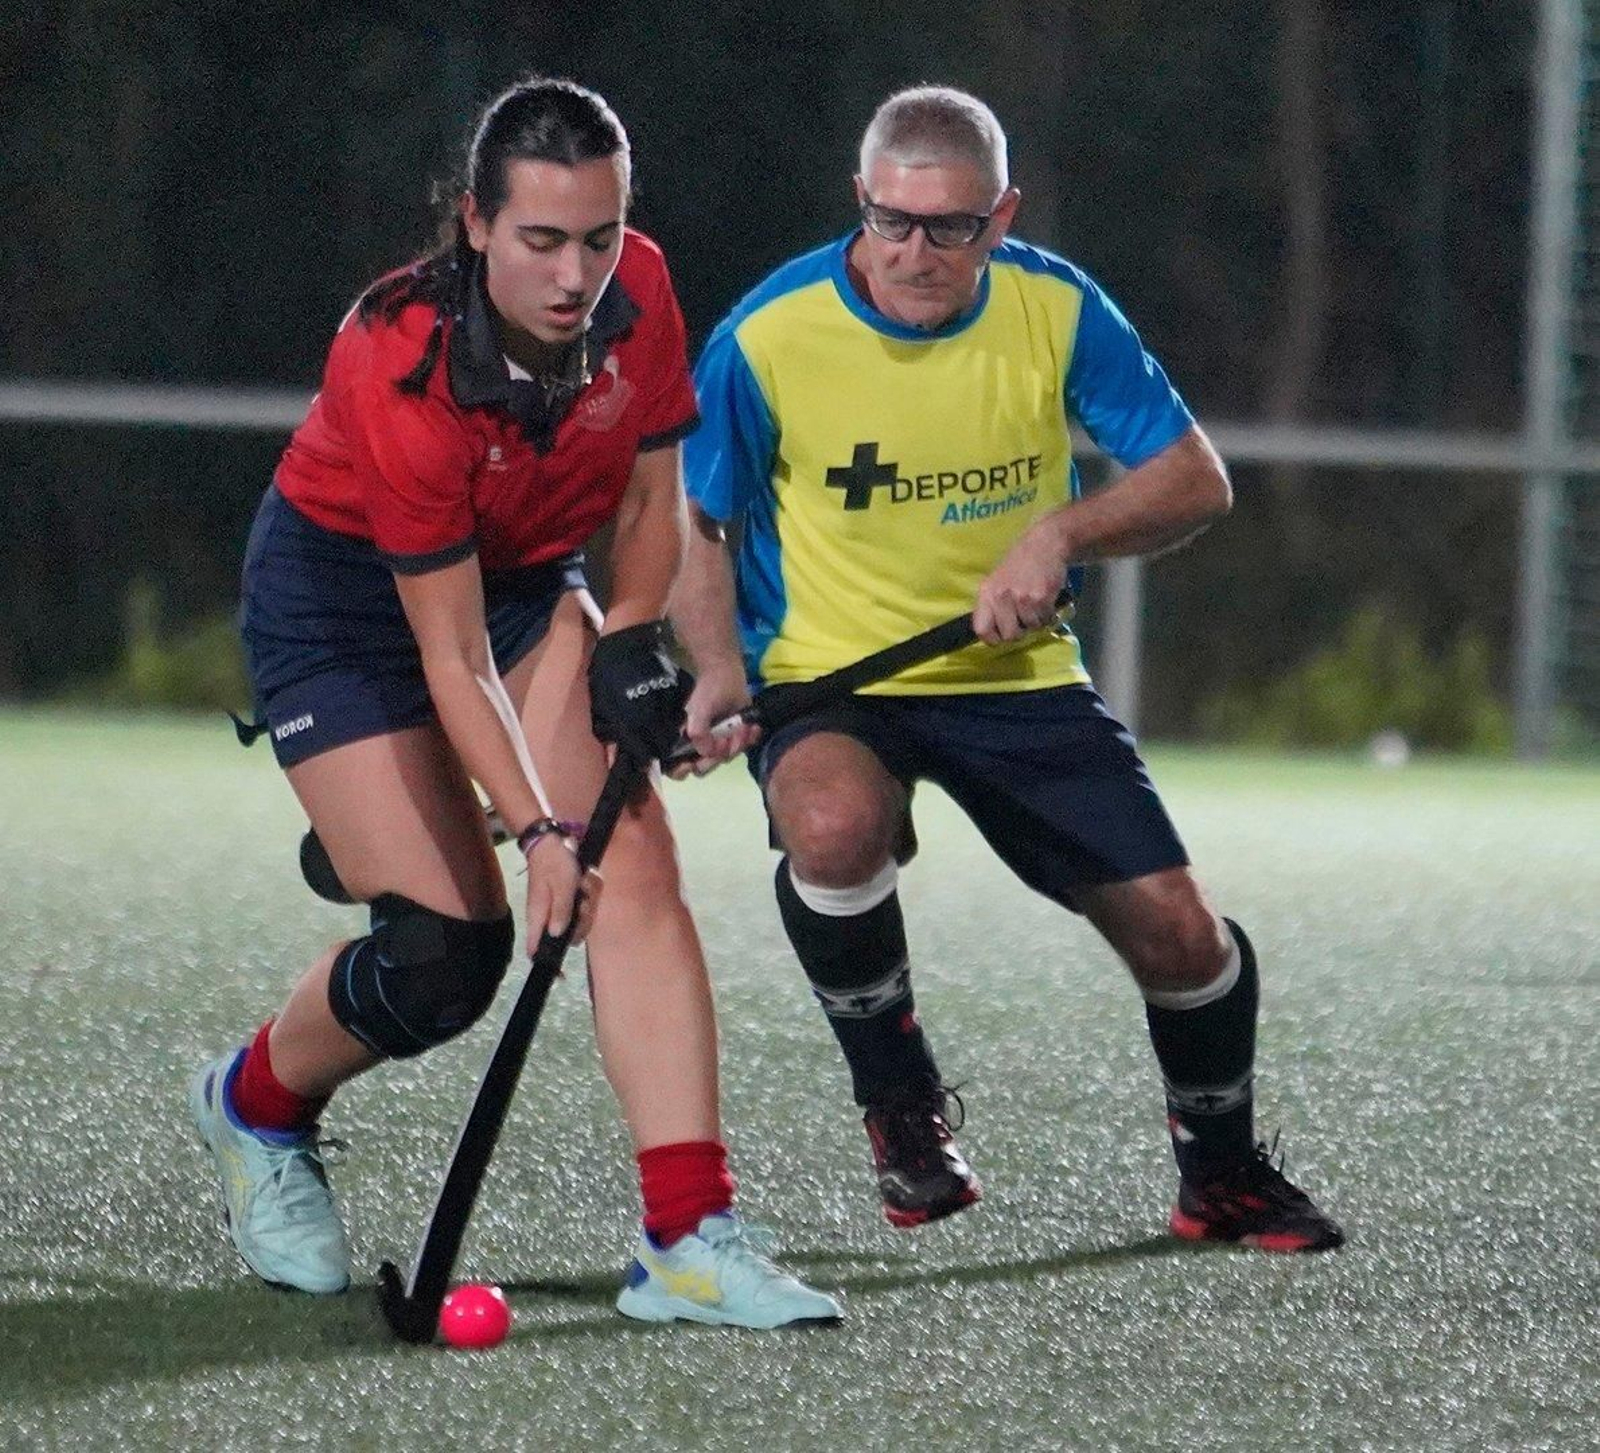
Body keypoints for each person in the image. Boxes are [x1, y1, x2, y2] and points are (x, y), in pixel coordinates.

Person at [191, 76, 840, 1328]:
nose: (574, 273)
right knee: (448, 956)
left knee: (633, 855)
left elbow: (652, 506)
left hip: (522, 585)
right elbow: (448, 658)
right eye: (541, 240)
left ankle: (688, 1237)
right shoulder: (399, 359)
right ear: (476, 224)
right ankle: (253, 1107)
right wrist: (535, 827)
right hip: (347, 608)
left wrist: (633, 644)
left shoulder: (637, 291)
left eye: (597, 237)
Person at [671, 85, 1343, 1252]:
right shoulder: (766, 337)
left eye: (954, 227)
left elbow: (1195, 479)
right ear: (859, 203)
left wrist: (1061, 534)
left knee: (1184, 939)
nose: (917, 254)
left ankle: (1219, 1176)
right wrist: (718, 668)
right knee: (830, 827)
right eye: (893, 223)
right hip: (835, 681)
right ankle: (900, 1106)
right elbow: (697, 525)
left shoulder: (1054, 305)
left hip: (1014, 679)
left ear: (1004, 214)